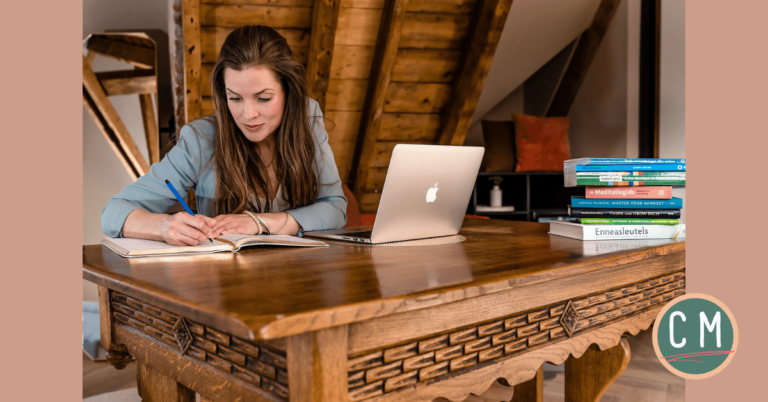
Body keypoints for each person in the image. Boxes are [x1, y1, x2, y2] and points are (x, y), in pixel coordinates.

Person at [101, 25, 347, 246]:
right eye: (235, 98)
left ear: (288, 91)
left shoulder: (307, 117)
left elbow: (336, 208)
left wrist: (259, 222)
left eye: (263, 98)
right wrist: (163, 226)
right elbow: (113, 213)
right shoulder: (200, 139)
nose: (248, 114)